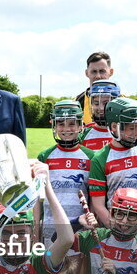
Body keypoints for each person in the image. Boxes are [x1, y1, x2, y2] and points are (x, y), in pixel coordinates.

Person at [89, 97, 137, 234]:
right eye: (131, 128)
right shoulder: (100, 159)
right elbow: (98, 205)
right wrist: (117, 229)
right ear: (114, 127)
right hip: (116, 230)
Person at [36, 100, 94, 249]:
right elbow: (37, 200)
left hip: (81, 230)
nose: (66, 129)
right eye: (61, 124)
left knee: (77, 264)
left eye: (72, 124)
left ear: (81, 126)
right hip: (50, 228)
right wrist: (35, 233)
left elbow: (94, 197)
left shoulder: (91, 156)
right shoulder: (45, 156)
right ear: (54, 126)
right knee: (50, 262)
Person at [78, 79, 119, 152]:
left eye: (106, 103)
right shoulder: (84, 133)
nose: (100, 108)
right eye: (96, 103)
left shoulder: (123, 132)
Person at [75, 51, 115, 124]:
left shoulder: (122, 100)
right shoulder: (77, 102)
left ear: (111, 72)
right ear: (86, 73)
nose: (98, 76)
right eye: (94, 71)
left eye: (102, 71)